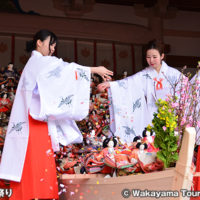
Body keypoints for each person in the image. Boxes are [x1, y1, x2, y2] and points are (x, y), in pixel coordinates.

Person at [0, 29, 113, 200]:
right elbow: (67, 69)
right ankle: (39, 194)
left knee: (32, 161)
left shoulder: (34, 63)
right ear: (39, 42)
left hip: (32, 120)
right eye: (50, 43)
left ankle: (31, 194)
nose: (53, 48)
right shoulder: (39, 62)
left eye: (54, 45)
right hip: (34, 122)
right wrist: (95, 69)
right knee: (37, 160)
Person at [97, 40, 181, 143]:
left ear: (162, 56)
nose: (151, 60)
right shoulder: (145, 74)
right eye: (148, 57)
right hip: (152, 114)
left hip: (171, 114)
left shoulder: (173, 74)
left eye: (155, 57)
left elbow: (185, 89)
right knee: (152, 141)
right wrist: (111, 84)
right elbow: (129, 82)